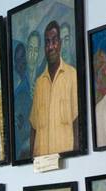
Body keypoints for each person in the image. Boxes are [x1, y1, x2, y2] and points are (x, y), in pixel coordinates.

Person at [30, 19, 79, 157]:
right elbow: (33, 128)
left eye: (54, 40)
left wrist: (76, 158)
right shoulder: (39, 84)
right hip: (42, 167)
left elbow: (77, 122)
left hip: (66, 164)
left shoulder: (72, 76)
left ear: (60, 44)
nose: (50, 46)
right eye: (47, 42)